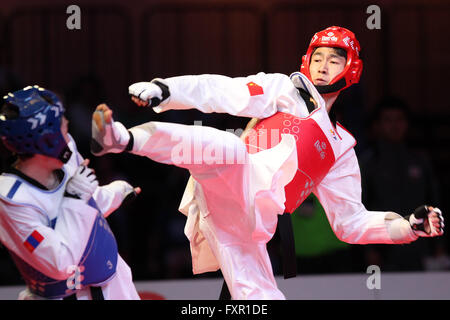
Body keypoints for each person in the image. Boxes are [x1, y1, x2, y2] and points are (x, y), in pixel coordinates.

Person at [91, 26, 444, 299]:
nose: (323, 66)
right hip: (228, 179)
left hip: (251, 224)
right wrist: (166, 91)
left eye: (334, 60)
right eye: (318, 57)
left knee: (261, 298)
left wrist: (408, 228)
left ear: (351, 68)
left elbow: (350, 223)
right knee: (223, 147)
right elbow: (224, 91)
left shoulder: (341, 148)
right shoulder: (285, 90)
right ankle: (120, 138)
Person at [0, 85, 141, 300]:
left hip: (113, 284)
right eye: (64, 130)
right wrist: (74, 196)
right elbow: (60, 263)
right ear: (48, 141)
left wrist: (117, 192)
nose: (69, 134)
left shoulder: (64, 156)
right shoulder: (12, 200)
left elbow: (87, 208)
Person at [360, 96, 445, 271]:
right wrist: (369, 249)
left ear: (406, 124)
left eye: (399, 119)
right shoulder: (368, 163)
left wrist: (439, 245)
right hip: (384, 248)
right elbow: (361, 206)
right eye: (388, 120)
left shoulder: (420, 160)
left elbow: (434, 202)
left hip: (420, 246)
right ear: (377, 125)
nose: (394, 125)